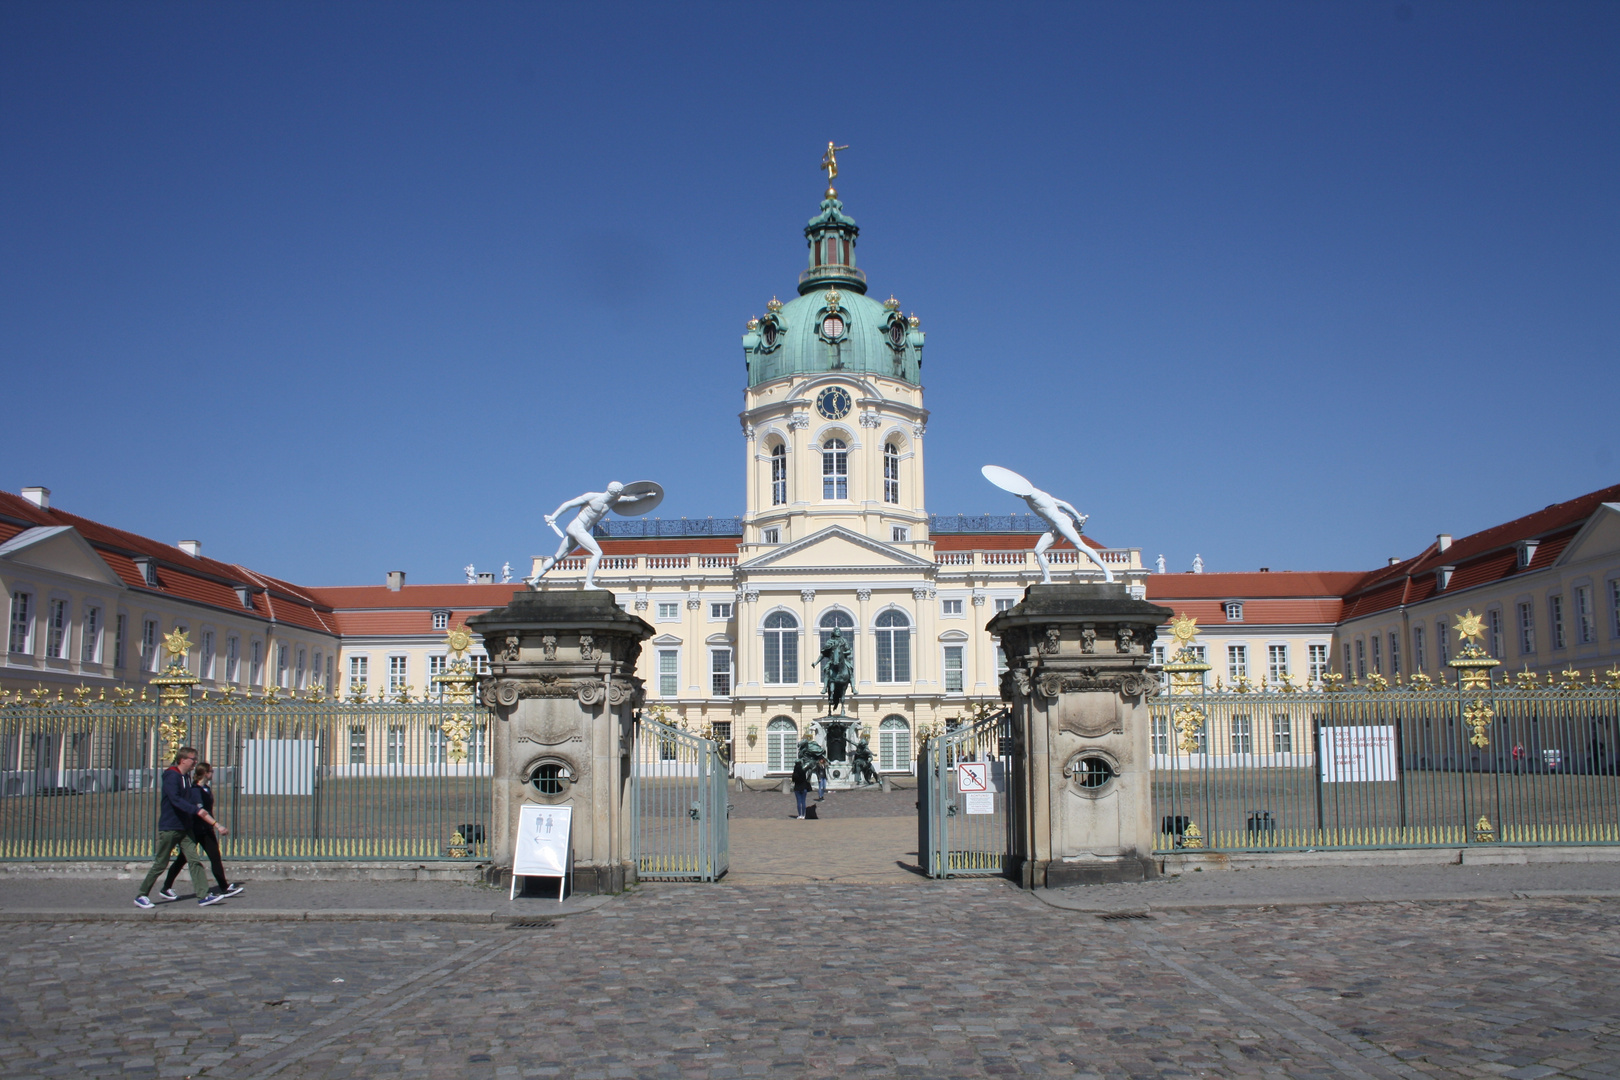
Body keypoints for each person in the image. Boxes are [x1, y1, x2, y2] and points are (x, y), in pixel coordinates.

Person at [527, 482, 658, 591]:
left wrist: (647, 494)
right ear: (614, 492)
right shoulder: (592, 496)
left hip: (579, 530)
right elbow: (568, 504)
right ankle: (588, 584)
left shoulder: (613, 501)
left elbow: (630, 498)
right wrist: (553, 516)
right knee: (597, 552)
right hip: (577, 528)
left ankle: (535, 579)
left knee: (559, 556)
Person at [134, 747, 219, 908]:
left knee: (194, 860)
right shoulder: (172, 776)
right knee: (161, 863)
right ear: (183, 760)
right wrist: (196, 810)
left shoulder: (186, 777)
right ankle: (142, 894)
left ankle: (203, 895)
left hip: (185, 827)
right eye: (193, 759)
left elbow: (188, 798)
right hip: (170, 826)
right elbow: (175, 799)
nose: (195, 762)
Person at [160, 762, 243, 902]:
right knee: (183, 859)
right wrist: (218, 825)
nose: (212, 774)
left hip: (206, 828)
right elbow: (201, 812)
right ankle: (166, 887)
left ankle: (224, 886)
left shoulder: (206, 788)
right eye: (211, 771)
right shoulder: (195, 790)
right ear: (205, 773)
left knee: (214, 857)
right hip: (196, 828)